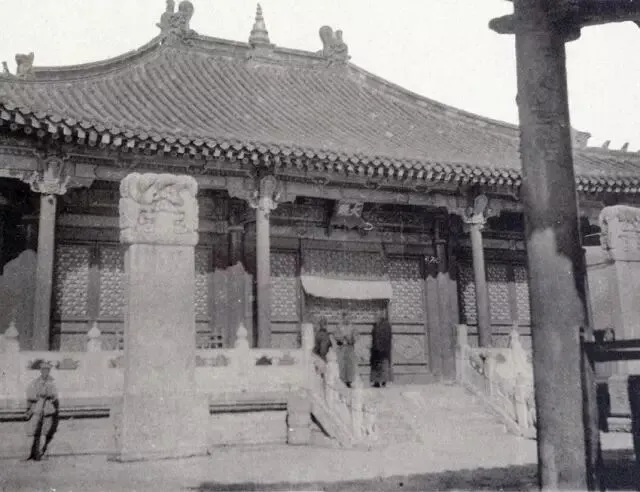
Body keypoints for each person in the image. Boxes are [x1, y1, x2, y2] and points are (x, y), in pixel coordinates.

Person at [25, 361, 59, 461]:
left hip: (48, 410)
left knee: (45, 432)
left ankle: (41, 453)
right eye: (43, 370)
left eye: (47, 370)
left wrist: (49, 395)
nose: (45, 372)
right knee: (34, 431)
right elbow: (30, 395)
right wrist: (30, 406)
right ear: (40, 371)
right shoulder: (35, 382)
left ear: (49, 371)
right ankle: (32, 453)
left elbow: (55, 396)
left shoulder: (52, 382)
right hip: (37, 409)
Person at [334, 311, 358, 388]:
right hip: (341, 348)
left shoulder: (352, 327)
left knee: (350, 365)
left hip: (350, 348)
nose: (347, 319)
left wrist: (351, 339)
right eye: (345, 317)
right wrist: (342, 337)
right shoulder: (339, 326)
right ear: (343, 318)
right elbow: (335, 335)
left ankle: (349, 381)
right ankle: (342, 380)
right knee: (342, 364)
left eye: (348, 317)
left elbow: (356, 336)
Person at [370, 314, 393, 388]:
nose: (375, 318)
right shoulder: (376, 325)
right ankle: (377, 382)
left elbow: (387, 337)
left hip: (383, 349)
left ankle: (383, 381)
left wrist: (381, 347)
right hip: (376, 349)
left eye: (376, 316)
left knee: (383, 364)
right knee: (376, 365)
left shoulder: (386, 325)